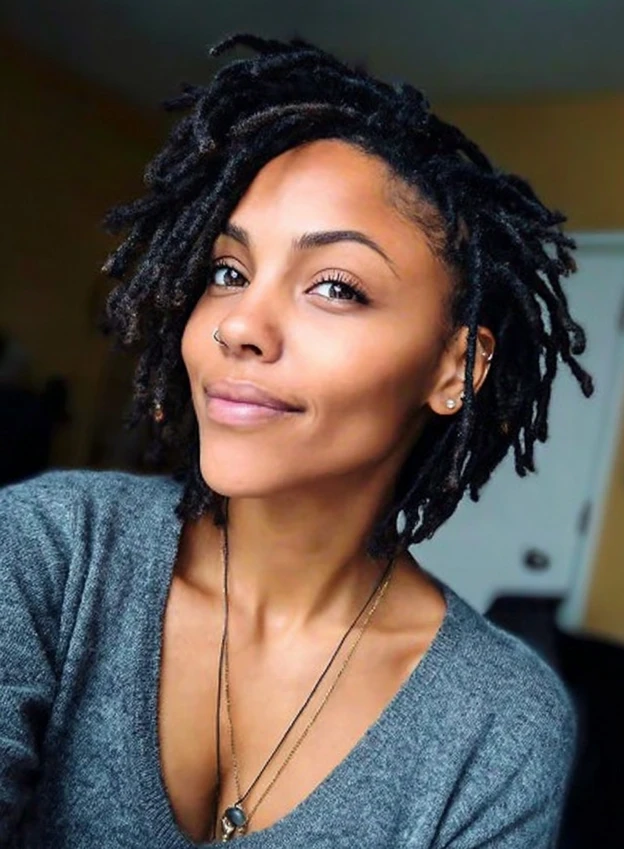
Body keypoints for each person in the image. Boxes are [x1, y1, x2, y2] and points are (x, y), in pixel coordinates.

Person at [0, 33, 593, 848]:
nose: (240, 323)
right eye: (229, 272)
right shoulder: (52, 550)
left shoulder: (499, 721)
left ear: (455, 366)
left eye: (335, 287)